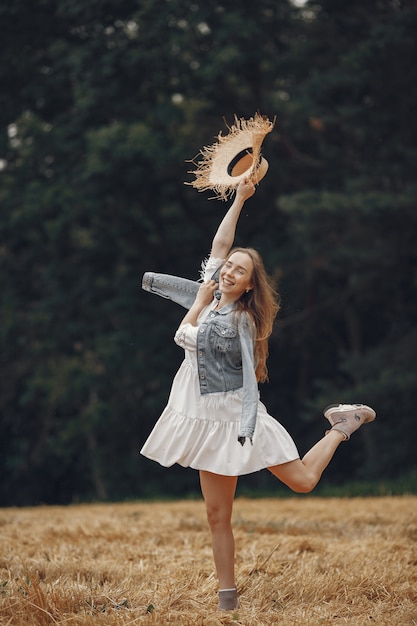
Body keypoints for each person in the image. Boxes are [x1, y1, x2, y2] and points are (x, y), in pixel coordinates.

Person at [140, 178, 376, 611]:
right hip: (201, 418)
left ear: (249, 285)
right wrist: (240, 199)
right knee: (217, 516)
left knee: (303, 482)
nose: (227, 270)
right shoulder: (214, 289)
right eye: (227, 266)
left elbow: (183, 336)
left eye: (238, 270)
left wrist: (200, 301)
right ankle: (227, 602)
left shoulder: (240, 322)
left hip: (235, 418)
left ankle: (343, 424)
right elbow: (221, 240)